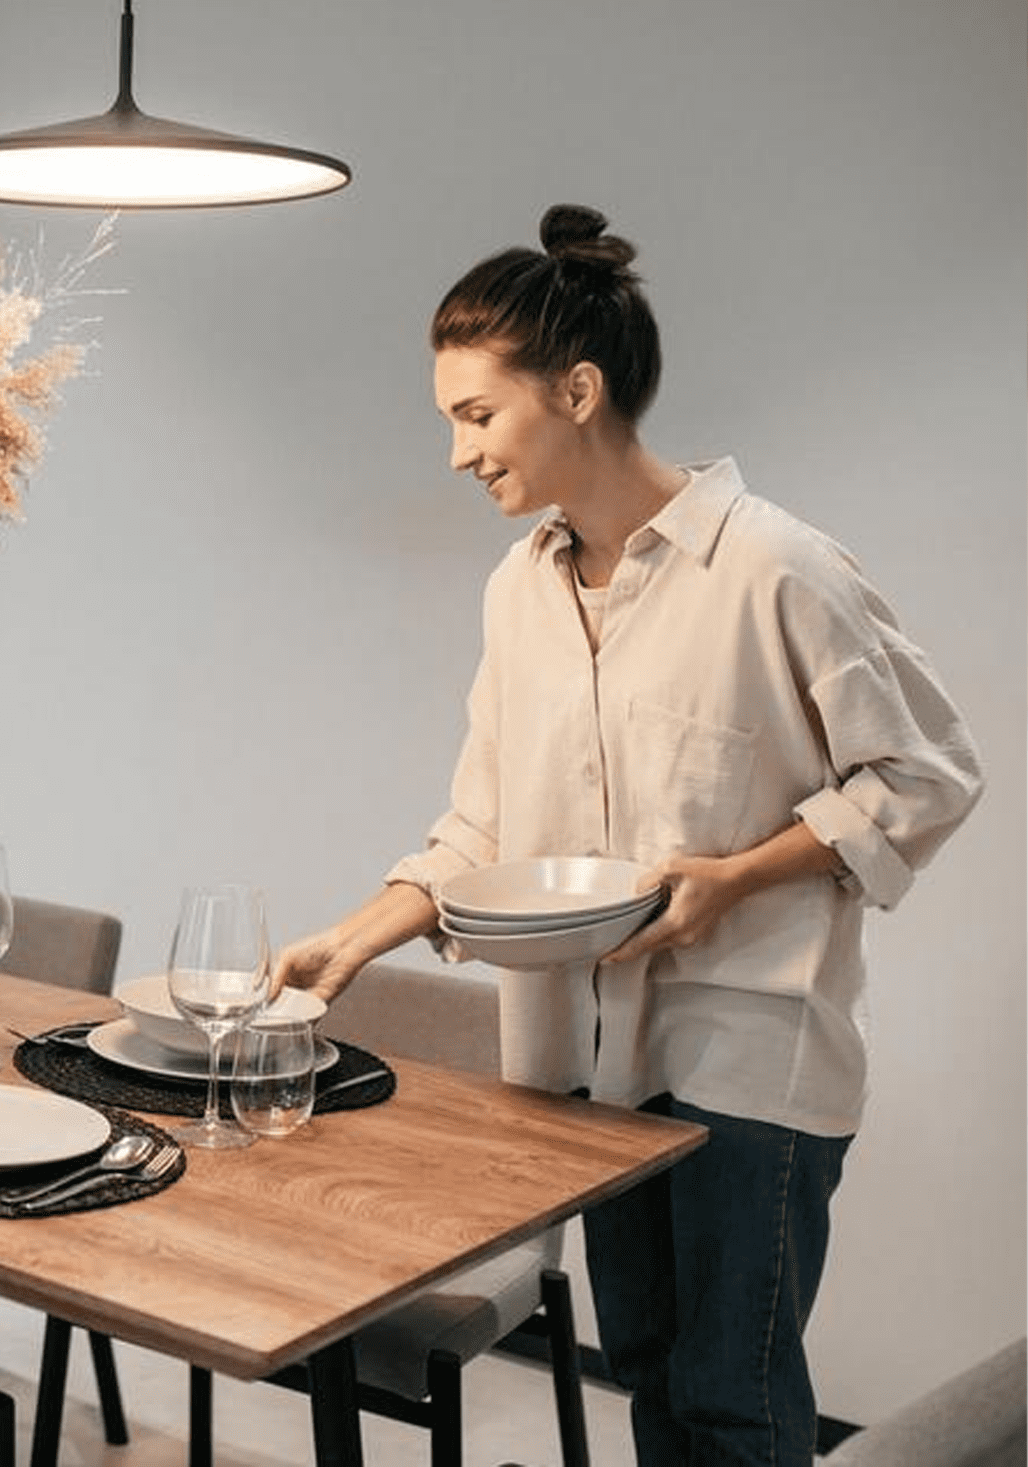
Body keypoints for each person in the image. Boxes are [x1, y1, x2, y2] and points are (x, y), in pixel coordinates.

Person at [273, 204, 983, 1467]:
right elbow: (484, 823)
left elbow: (928, 772)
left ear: (579, 390)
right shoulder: (518, 592)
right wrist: (352, 941)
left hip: (750, 1060)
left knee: (734, 1400)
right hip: (589, 1063)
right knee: (646, 1380)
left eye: (475, 415)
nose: (454, 453)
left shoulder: (773, 568)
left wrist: (740, 876)